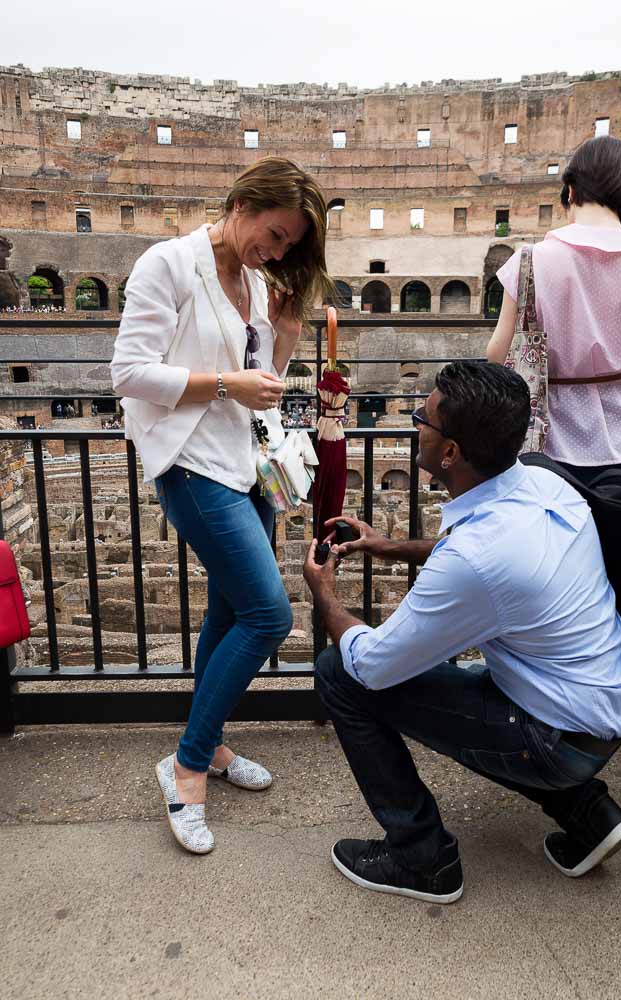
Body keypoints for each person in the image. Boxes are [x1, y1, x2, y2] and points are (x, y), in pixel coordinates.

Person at [304, 361, 621, 905]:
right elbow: (486, 560)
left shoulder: (479, 557)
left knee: (339, 672)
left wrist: (325, 596)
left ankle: (423, 859)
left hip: (556, 740)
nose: (416, 425)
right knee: (478, 688)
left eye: (423, 418)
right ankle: (590, 815)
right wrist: (389, 547)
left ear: (452, 453)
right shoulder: (543, 483)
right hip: (604, 706)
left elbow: (375, 665)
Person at [111, 157, 334, 854]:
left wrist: (288, 326)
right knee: (268, 614)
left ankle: (208, 749)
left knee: (230, 612)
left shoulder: (258, 281)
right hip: (189, 464)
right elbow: (129, 372)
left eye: (288, 245)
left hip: (244, 463)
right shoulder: (167, 265)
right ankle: (184, 766)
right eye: (272, 234)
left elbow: (263, 379)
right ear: (239, 204)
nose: (276, 251)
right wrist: (225, 383)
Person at [487, 136, 621, 485]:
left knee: (551, 539)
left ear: (570, 190)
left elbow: (497, 356)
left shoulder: (530, 260)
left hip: (545, 439)